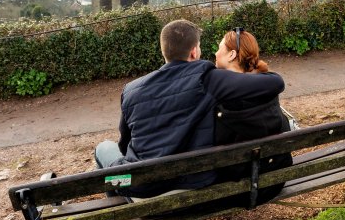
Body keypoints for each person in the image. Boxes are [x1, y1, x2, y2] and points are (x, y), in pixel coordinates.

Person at [95, 20, 285, 200]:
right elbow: (275, 82)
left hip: (141, 189)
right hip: (197, 182)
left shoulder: (131, 90)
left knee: (104, 149)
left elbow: (124, 144)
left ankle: (118, 211)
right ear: (194, 52)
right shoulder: (208, 80)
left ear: (164, 51)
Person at [212, 27, 293, 205]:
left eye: (219, 48)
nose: (215, 53)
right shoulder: (269, 88)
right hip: (273, 183)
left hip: (235, 192)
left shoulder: (219, 99)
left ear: (232, 54)